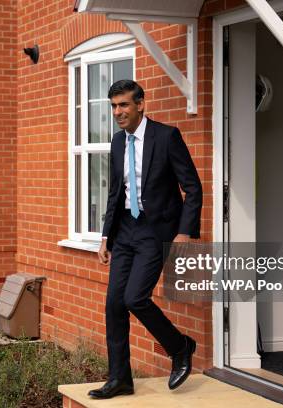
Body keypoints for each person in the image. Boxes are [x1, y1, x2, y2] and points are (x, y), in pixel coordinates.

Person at [88, 80, 203, 399]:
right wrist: (105, 236)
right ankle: (120, 379)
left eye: (123, 105)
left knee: (135, 298)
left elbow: (192, 187)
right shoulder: (116, 142)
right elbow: (115, 191)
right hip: (125, 232)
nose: (117, 112)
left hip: (156, 231)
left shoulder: (166, 137)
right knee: (114, 304)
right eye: (113, 106)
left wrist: (183, 232)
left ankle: (179, 347)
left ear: (140, 104)